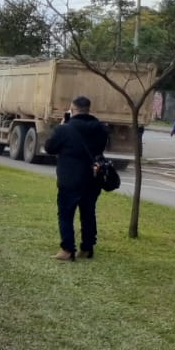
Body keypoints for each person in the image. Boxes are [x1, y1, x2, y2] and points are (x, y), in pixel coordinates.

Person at [43, 96, 109, 260]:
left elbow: (50, 147)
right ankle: (87, 248)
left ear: (72, 110)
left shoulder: (65, 129)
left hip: (70, 178)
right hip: (93, 177)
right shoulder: (100, 128)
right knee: (88, 213)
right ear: (88, 109)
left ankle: (67, 249)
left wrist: (61, 126)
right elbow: (101, 147)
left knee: (66, 214)